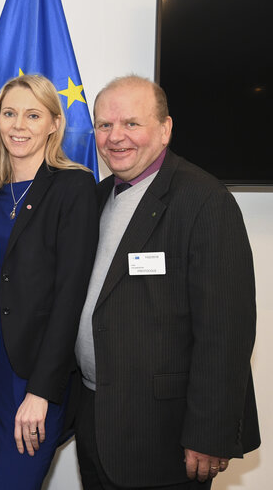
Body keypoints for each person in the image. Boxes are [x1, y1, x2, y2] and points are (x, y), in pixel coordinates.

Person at [74, 75, 260, 489]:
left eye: (131, 124)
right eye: (104, 125)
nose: (115, 137)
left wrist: (209, 435)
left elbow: (226, 332)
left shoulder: (204, 201)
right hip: (96, 420)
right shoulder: (99, 196)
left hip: (164, 437)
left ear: (165, 129)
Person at [0, 74, 98, 489]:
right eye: (9, 114)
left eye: (33, 115)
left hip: (31, 376)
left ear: (54, 124)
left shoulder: (74, 187)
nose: (18, 125)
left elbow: (71, 296)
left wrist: (41, 392)